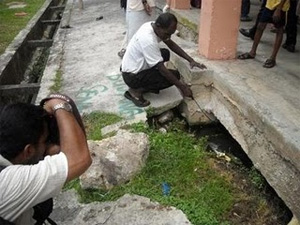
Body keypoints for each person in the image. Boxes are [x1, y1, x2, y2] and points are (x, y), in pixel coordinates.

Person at [0, 94, 92, 224]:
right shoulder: (9, 182)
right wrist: (58, 104)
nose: (49, 146)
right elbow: (79, 159)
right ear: (29, 151)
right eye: (45, 141)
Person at [121, 12, 206, 107]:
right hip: (131, 77)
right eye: (167, 34)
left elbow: (171, 44)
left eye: (170, 34)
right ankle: (135, 91)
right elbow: (162, 68)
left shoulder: (152, 25)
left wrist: (191, 60)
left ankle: (148, 77)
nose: (168, 37)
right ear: (158, 26)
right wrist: (182, 87)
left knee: (165, 53)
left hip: (133, 65)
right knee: (174, 76)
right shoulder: (148, 40)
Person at [238, 0, 290, 68]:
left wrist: (278, 8)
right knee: (260, 26)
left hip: (280, 7)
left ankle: (273, 58)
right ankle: (252, 52)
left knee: (279, 30)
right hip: (269, 4)